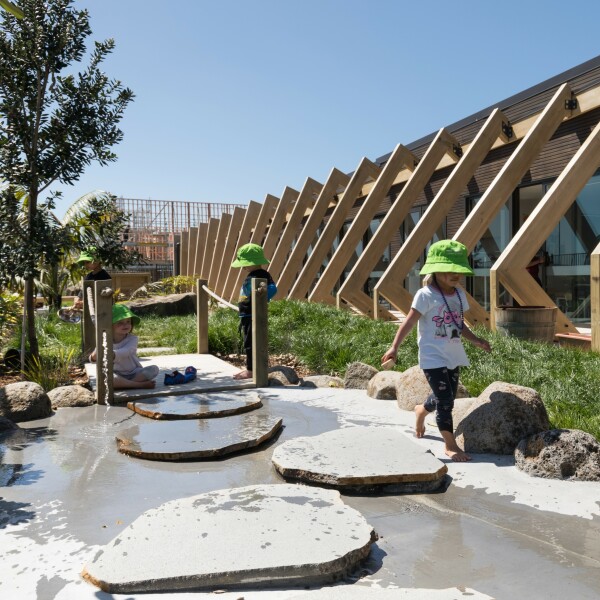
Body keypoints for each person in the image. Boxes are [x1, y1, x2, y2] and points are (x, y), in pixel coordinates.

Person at [381, 240, 491, 462]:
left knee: (446, 394)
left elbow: (459, 325)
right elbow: (409, 322)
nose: (454, 274)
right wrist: (394, 347)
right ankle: (450, 445)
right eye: (448, 268)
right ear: (435, 269)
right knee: (446, 400)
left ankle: (422, 409)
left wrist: (476, 340)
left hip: (453, 353)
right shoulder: (425, 294)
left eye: (457, 269)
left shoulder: (459, 295)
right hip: (432, 356)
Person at [230, 243, 277, 380]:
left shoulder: (261, 275)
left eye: (244, 264)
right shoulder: (255, 274)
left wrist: (261, 296)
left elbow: (273, 289)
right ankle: (252, 368)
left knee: (251, 343)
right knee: (249, 341)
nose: (243, 267)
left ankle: (251, 370)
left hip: (252, 315)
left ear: (251, 262)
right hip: (247, 314)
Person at [89, 304, 159, 389]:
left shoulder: (133, 339)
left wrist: (112, 354)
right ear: (111, 325)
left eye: (128, 322)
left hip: (134, 373)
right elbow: (94, 359)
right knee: (107, 377)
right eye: (120, 323)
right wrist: (93, 356)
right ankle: (139, 385)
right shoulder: (105, 340)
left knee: (154, 369)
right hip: (116, 374)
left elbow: (127, 351)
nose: (125, 325)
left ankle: (126, 384)